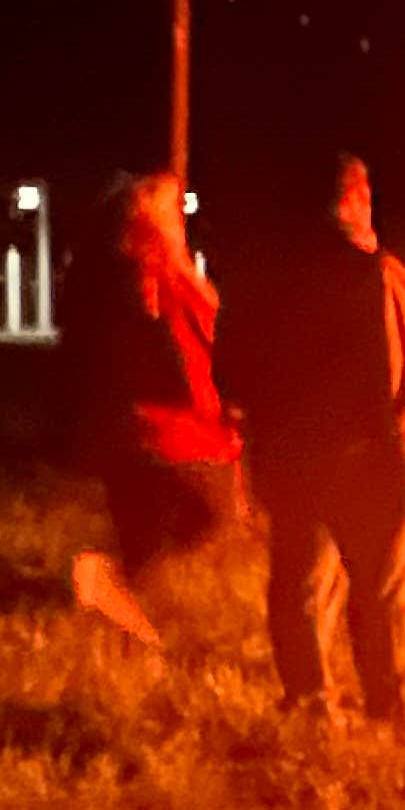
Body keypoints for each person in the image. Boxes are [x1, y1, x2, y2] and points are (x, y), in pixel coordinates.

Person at [216, 152, 405, 722]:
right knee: (384, 590)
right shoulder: (374, 273)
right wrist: (397, 449)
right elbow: (394, 373)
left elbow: (229, 367)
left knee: (299, 583)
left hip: (288, 452)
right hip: (369, 454)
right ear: (357, 199)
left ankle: (309, 703)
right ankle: (393, 704)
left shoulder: (264, 277)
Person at [58, 172, 238, 646]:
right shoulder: (139, 276)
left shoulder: (164, 271)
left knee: (170, 529)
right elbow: (162, 347)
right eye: (170, 211)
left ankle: (120, 611)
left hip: (175, 424)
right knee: (188, 521)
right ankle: (120, 614)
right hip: (154, 427)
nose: (179, 219)